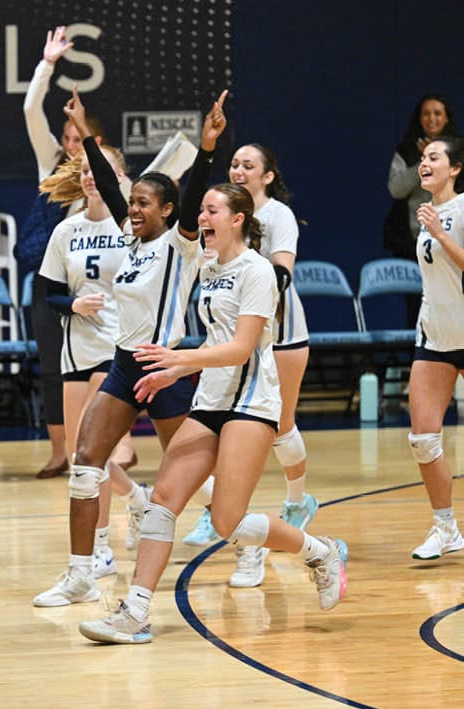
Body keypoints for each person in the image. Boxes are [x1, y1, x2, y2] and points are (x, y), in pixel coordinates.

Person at [77, 182, 348, 644]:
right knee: (164, 497)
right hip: (210, 400)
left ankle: (319, 552)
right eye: (200, 210)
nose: (202, 217)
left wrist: (180, 362)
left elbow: (242, 348)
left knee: (227, 521)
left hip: (251, 404)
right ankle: (135, 612)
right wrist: (173, 371)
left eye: (212, 210)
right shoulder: (207, 267)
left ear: (237, 218)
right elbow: (212, 340)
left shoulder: (257, 271)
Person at [33, 87, 224, 608]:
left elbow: (193, 187)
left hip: (162, 368)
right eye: (131, 202)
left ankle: (247, 539)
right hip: (123, 364)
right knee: (85, 463)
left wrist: (206, 149)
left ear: (168, 209)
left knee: (198, 484)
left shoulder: (181, 242)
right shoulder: (133, 239)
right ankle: (80, 575)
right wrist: (85, 133)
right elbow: (116, 193)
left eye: (144, 203)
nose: (132, 209)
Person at [201, 144, 317, 588]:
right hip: (229, 341)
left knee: (280, 427)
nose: (239, 170)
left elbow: (282, 273)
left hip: (280, 333)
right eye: (234, 164)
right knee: (209, 442)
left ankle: (295, 502)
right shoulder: (214, 222)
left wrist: (254, 282)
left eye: (249, 165)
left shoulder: (277, 216)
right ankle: (235, 524)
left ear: (267, 176)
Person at [31, 142, 142, 600]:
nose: (91, 176)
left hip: (114, 346)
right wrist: (72, 303)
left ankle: (99, 549)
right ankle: (138, 499)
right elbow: (46, 292)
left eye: (102, 169)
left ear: (120, 178)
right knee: (82, 458)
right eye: (86, 169)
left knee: (97, 454)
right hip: (74, 348)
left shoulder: (131, 226)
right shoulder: (66, 230)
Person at [16, 27, 115, 479]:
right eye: (69, 139)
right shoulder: (51, 164)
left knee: (104, 366)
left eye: (81, 140)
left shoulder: (108, 188)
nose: (73, 147)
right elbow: (29, 109)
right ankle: (60, 451)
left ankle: (112, 445)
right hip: (51, 283)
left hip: (96, 290)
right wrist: (47, 65)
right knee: (53, 366)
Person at [406, 136, 464, 560]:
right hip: (436, 338)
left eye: (434, 157)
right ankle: (445, 528)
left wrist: (441, 234)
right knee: (423, 438)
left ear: (455, 168)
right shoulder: (426, 213)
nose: (424, 163)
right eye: (422, 158)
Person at [386, 95, 459, 326]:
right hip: (415, 236)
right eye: (426, 113)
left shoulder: (459, 151)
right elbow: (396, 189)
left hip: (453, 232)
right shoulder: (407, 149)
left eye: (438, 113)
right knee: (418, 302)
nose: (432, 118)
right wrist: (422, 163)